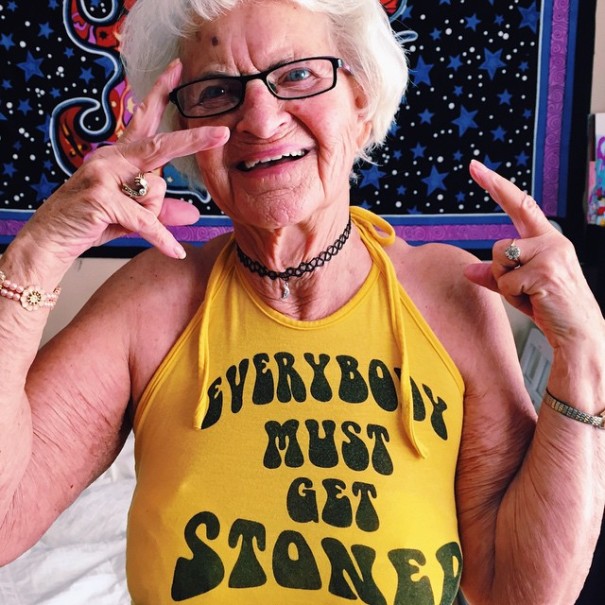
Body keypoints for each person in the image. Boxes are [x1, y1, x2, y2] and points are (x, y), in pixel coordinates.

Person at [0, 0, 603, 603]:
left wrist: (583, 356)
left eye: (297, 75)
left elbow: (521, 590)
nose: (261, 122)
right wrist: (35, 255)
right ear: (184, 134)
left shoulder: (451, 293)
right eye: (217, 92)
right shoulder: (149, 301)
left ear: (360, 101)